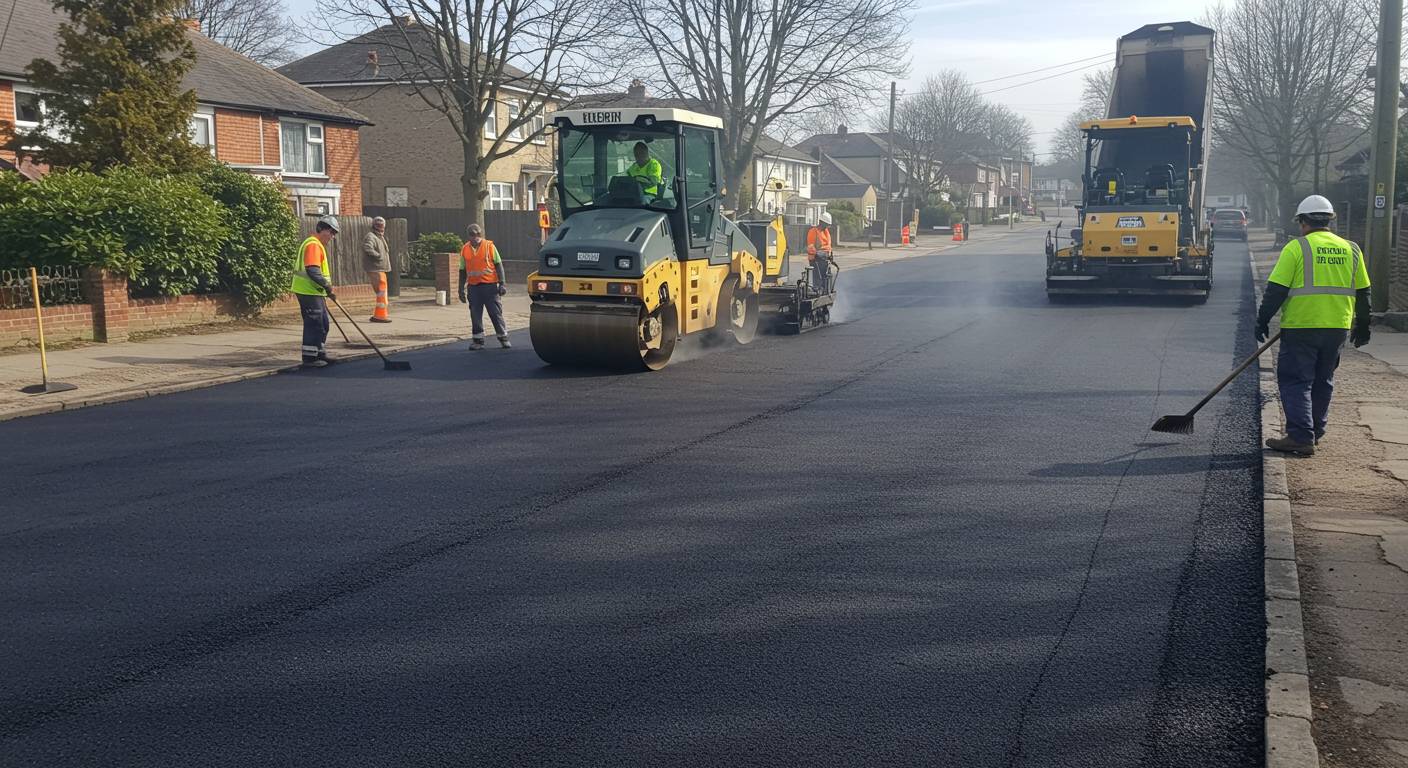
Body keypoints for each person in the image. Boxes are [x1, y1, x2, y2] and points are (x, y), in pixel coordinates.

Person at [1256, 195, 1371, 456]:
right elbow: (1364, 292)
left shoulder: (1297, 248)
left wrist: (1262, 319)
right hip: (1337, 327)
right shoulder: (1352, 249)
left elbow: (1276, 290)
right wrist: (1363, 326)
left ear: (1303, 221)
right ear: (1330, 220)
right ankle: (1315, 432)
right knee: (1323, 380)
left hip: (1301, 327)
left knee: (1296, 380)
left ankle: (1299, 436)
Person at [290, 216, 340, 367]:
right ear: (322, 229)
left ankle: (320, 353)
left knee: (323, 324)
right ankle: (310, 358)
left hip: (315, 292)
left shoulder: (316, 245)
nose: (332, 237)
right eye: (331, 233)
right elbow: (313, 270)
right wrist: (328, 287)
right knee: (314, 324)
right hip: (308, 291)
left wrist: (325, 290)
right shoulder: (313, 245)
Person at [457, 222, 511, 350]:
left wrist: (502, 283)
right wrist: (460, 289)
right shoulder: (465, 249)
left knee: (495, 312)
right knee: (475, 314)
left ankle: (503, 338)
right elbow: (462, 270)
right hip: (474, 287)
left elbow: (498, 265)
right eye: (472, 234)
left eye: (478, 234)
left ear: (480, 234)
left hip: (490, 286)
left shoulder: (489, 246)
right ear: (468, 236)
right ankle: (478, 340)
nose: (475, 236)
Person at [363, 216, 392, 323]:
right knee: (381, 291)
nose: (382, 228)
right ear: (375, 226)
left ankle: (380, 313)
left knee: (382, 291)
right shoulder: (371, 236)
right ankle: (380, 315)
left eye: (382, 226)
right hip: (375, 268)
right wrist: (378, 256)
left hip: (380, 268)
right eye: (380, 226)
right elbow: (367, 248)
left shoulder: (379, 237)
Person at [806, 211, 834, 294]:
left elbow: (828, 246)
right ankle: (817, 292)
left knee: (826, 277)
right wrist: (820, 254)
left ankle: (825, 292)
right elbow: (811, 248)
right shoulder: (813, 232)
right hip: (815, 259)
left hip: (825, 258)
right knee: (818, 278)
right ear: (821, 222)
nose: (827, 226)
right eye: (826, 224)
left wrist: (830, 254)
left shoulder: (826, 232)